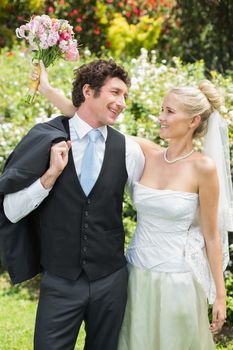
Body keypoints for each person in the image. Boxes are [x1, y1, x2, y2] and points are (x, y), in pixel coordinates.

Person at [29, 65, 233, 349]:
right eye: (162, 109)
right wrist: (48, 90)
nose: (161, 117)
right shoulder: (146, 152)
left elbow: (212, 236)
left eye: (170, 112)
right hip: (134, 275)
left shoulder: (203, 168)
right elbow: (85, 119)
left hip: (178, 280)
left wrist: (220, 295)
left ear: (193, 120)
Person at [1, 59, 145, 350]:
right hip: (61, 281)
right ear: (88, 90)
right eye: (115, 93)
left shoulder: (129, 150)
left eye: (125, 96)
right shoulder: (46, 138)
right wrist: (49, 176)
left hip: (111, 280)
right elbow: (11, 211)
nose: (122, 103)